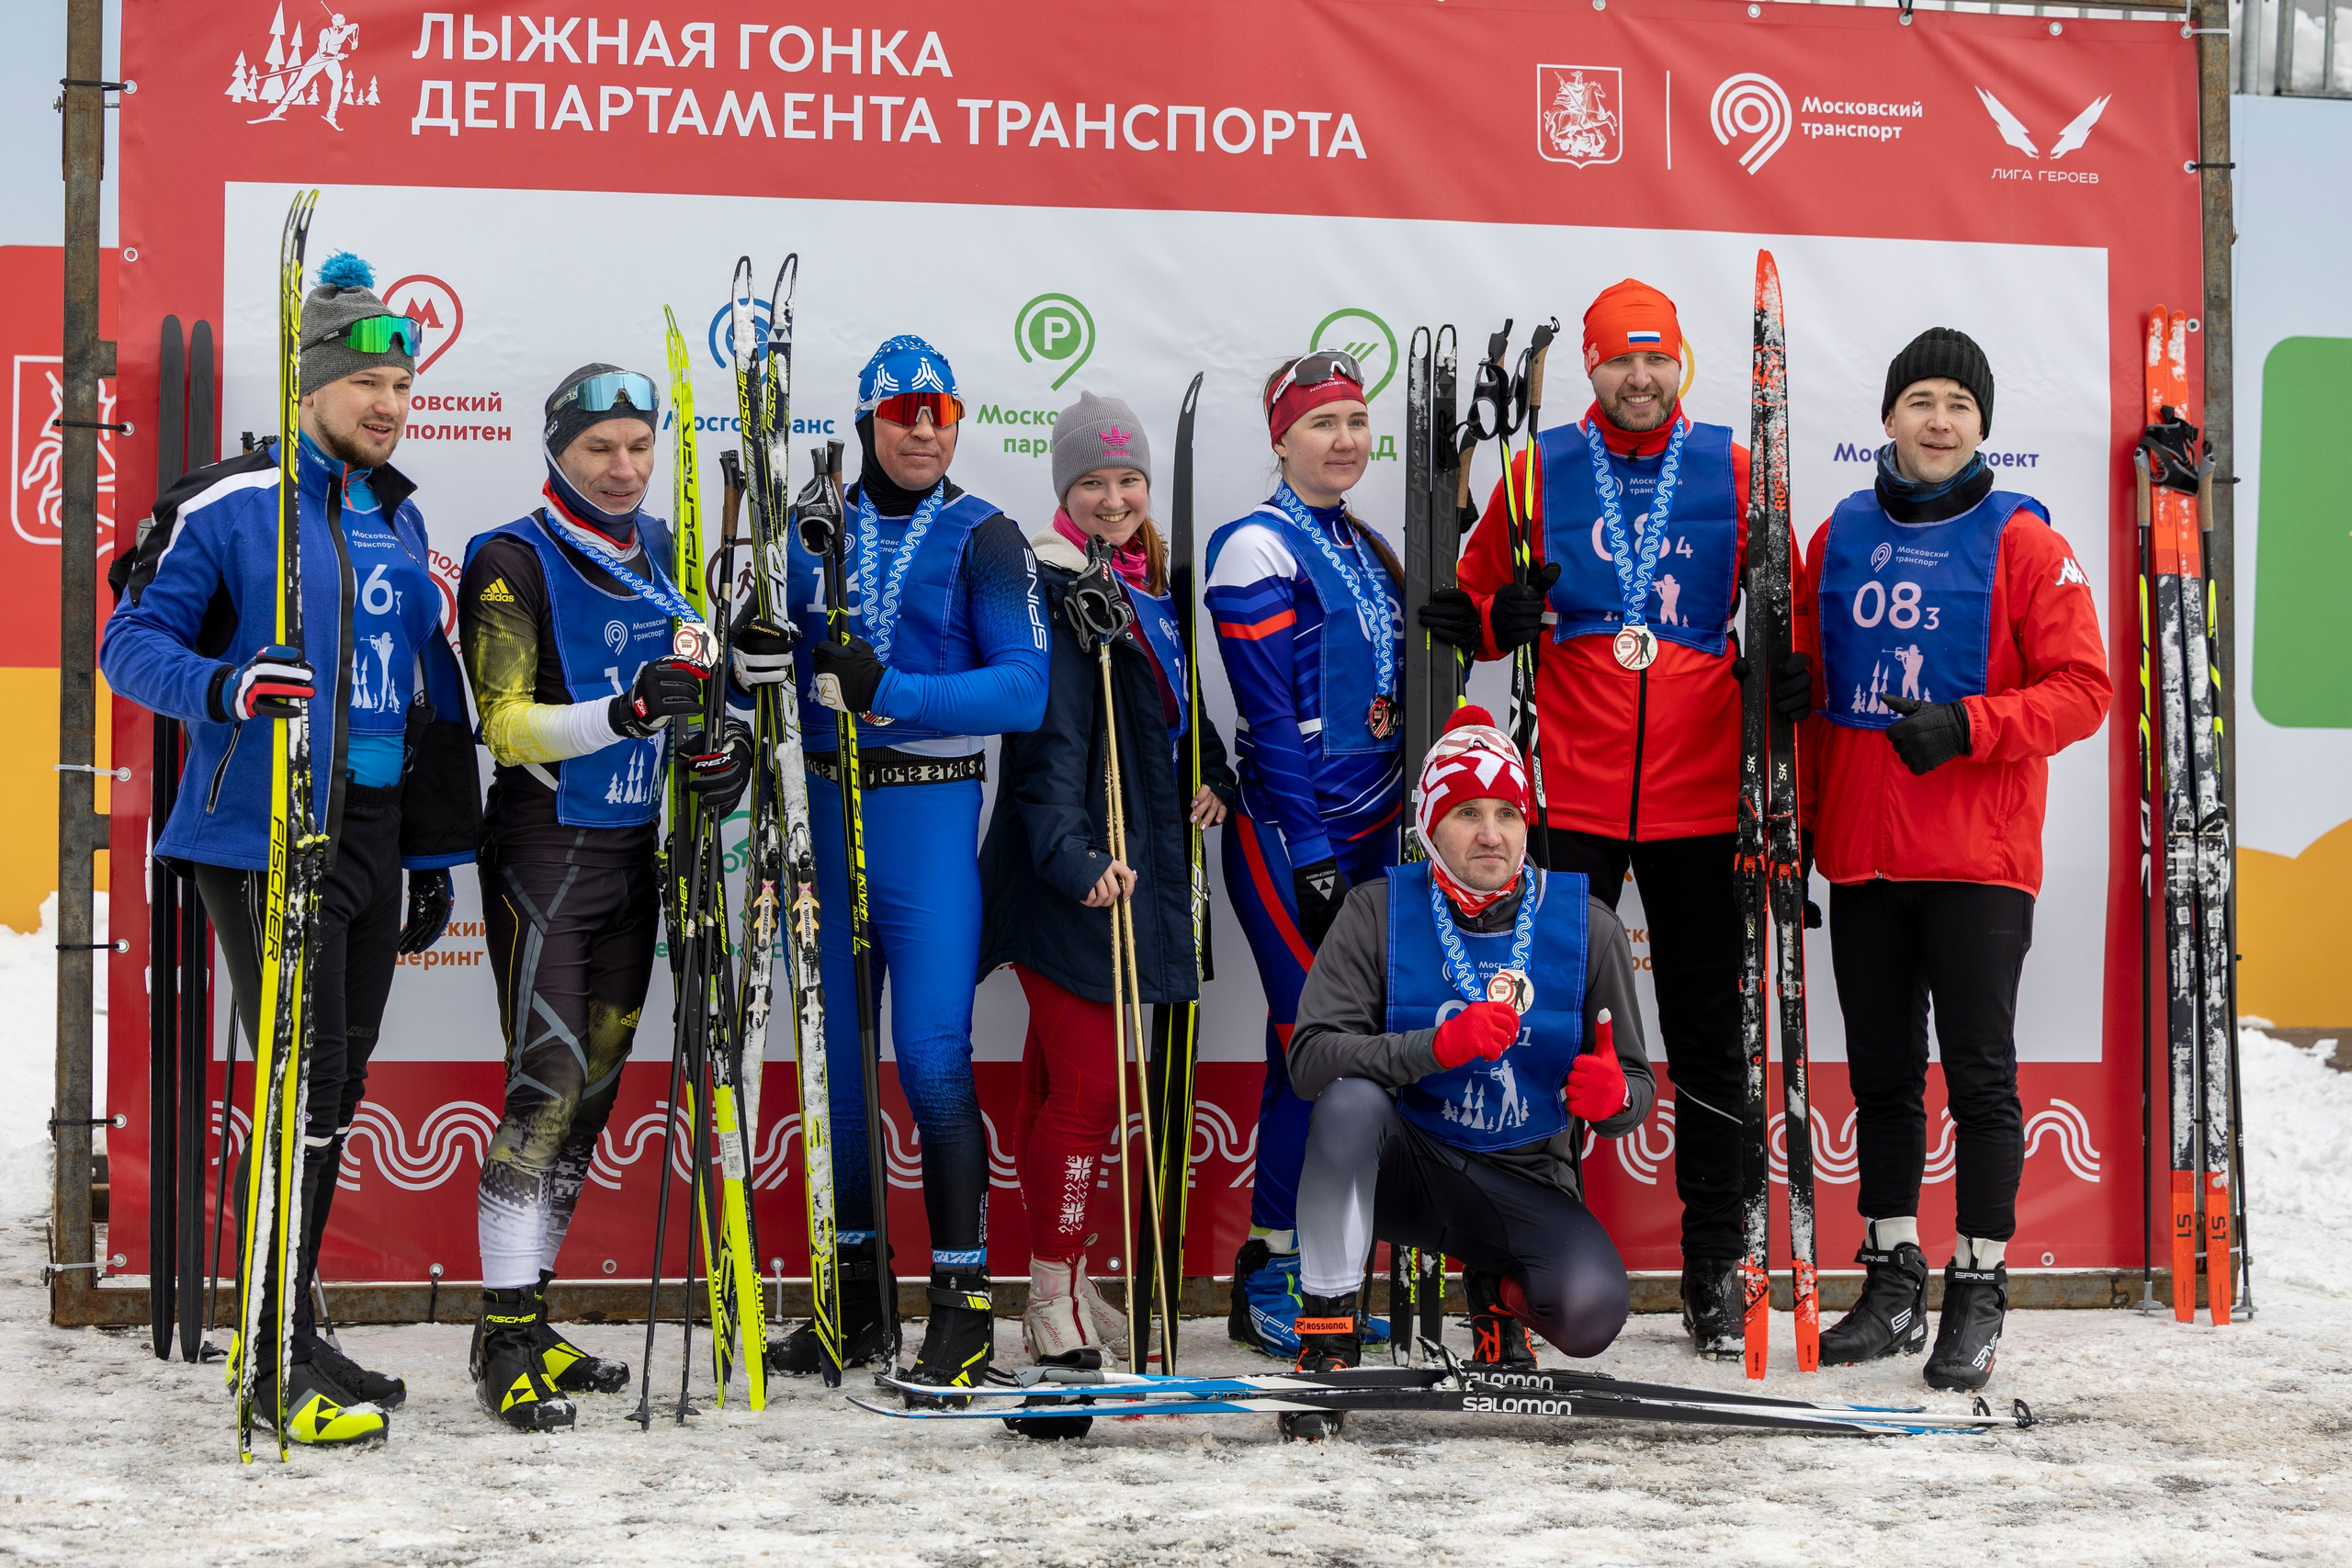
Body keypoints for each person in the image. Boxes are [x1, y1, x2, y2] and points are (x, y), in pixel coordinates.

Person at [101, 253, 478, 1446]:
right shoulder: (235, 504)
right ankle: (267, 1362)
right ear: (310, 384)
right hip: (264, 830)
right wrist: (225, 685)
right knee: (300, 1083)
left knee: (338, 1086)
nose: (389, 403)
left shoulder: (398, 511)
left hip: (370, 826)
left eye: (403, 385)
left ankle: (290, 1323)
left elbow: (418, 689)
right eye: (367, 382)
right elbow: (127, 642)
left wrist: (428, 849)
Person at [1419, 280, 1811, 1359]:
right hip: (1568, 798)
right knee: (1538, 1032)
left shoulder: (1738, 471)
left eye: (1655, 359)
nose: (1639, 378)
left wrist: (1792, 677)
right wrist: (1497, 618)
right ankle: (1519, 1266)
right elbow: (1474, 612)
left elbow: (1788, 619)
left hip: (1701, 799)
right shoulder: (1537, 470)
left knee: (1710, 1041)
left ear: (1682, 364)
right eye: (1618, 361)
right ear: (1590, 369)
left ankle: (1716, 1268)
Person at [1796, 328, 2108, 1390]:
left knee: (1978, 1077)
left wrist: (1969, 725)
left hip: (1977, 856)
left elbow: (2084, 690)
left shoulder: (2022, 539)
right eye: (1921, 400)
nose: (1938, 421)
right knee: (1882, 1077)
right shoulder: (1839, 532)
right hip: (1863, 853)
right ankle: (1891, 1280)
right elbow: (1809, 687)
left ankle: (1977, 1286)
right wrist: (1799, 827)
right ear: (1887, 416)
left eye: (1959, 406)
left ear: (1983, 427)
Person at [457, 364, 753, 1429]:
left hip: (636, 853)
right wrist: (625, 713)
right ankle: (501, 1337)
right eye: (598, 450)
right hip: (546, 850)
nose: (622, 469)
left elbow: (699, 693)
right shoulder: (509, 557)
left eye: (637, 447)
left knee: (590, 1102)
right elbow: (505, 724)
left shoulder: (669, 555)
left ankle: (530, 1315)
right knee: (543, 1092)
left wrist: (721, 751)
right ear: (556, 452)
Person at [767, 335, 1050, 1401]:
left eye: (942, 412)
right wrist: (752, 666)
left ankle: (962, 1313)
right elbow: (761, 673)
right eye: (902, 413)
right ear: (867, 421)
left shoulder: (986, 535)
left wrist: (893, 691)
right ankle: (851, 1307)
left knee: (933, 1061)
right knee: (837, 1074)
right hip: (820, 816)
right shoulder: (808, 529)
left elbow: (1022, 689)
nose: (925, 430)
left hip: (925, 818)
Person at [978, 391, 1237, 1364]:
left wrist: (1213, 771)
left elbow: (1171, 712)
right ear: (1064, 489)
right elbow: (1048, 744)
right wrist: (1073, 859)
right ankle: (1051, 1297)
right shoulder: (1050, 585)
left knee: (1060, 1081)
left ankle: (1070, 1279)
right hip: (1076, 868)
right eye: (1093, 482)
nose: (1115, 498)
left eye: (1129, 480)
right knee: (1090, 1088)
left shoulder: (1144, 583)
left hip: (1132, 864)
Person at [1287, 705, 1652, 1393]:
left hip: (1527, 1183)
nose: (1491, 834)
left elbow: (1635, 1085)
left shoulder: (1589, 924)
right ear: (1430, 825)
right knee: (1347, 1104)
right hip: (1410, 1168)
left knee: (1590, 1313)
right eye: (1467, 813)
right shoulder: (1376, 910)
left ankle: (1498, 1293)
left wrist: (1617, 1098)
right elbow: (1310, 1061)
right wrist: (1435, 1047)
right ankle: (1327, 1339)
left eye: (1508, 813)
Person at [1203, 351, 1405, 1358]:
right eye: (1322, 422)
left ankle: (1308, 1264)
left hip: (1376, 833)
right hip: (1293, 836)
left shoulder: (1367, 544)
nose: (1344, 440)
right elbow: (1271, 717)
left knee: (1321, 1056)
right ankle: (1269, 1273)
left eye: (1357, 420)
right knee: (1313, 1051)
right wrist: (1314, 848)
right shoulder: (1254, 546)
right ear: (1280, 439)